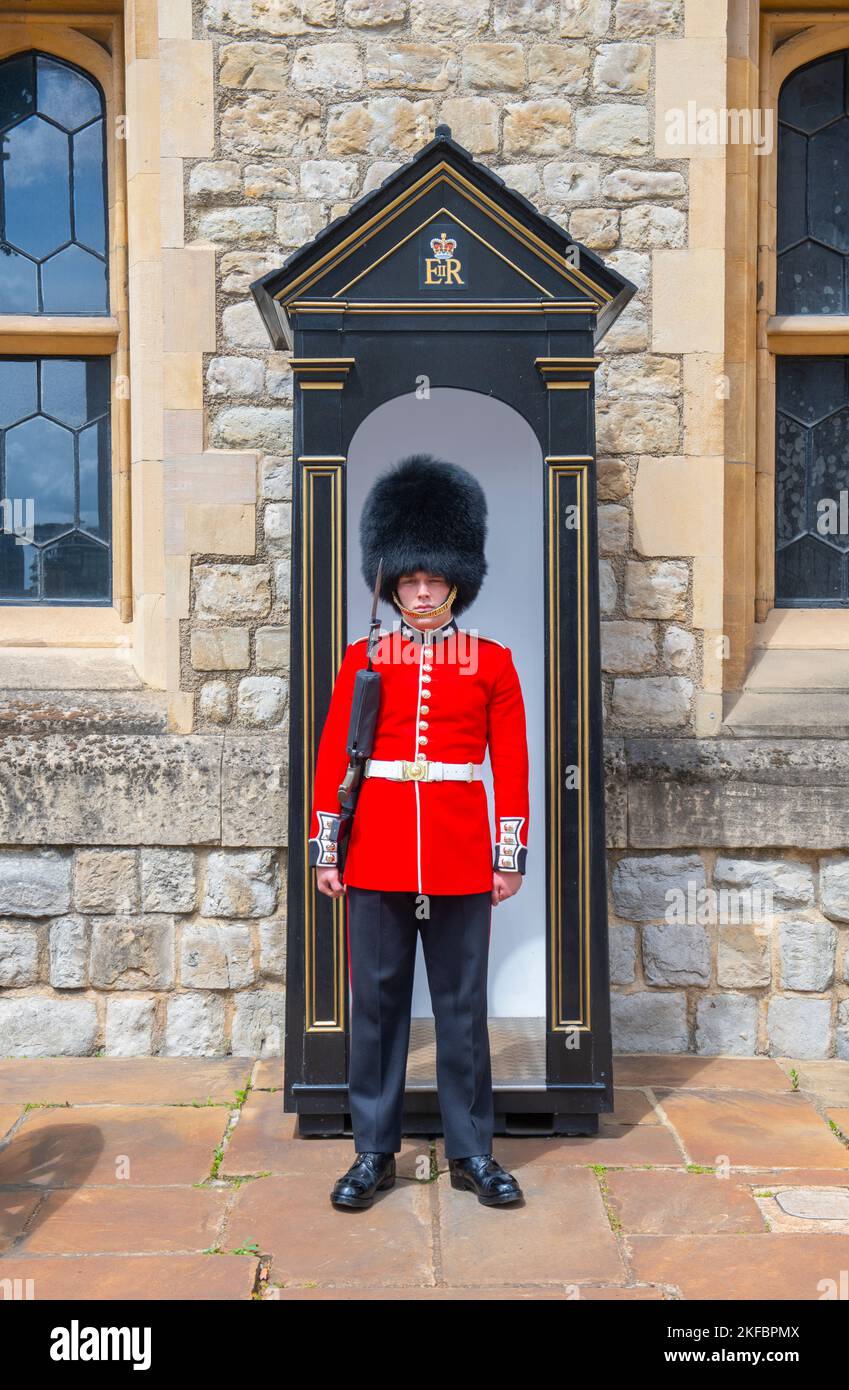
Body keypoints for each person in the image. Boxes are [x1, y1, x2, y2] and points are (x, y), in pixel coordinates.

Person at [307, 453, 530, 1209]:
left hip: (462, 850)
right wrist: (327, 847)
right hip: (375, 848)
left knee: (462, 1007)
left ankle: (472, 1153)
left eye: (434, 579)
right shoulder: (361, 658)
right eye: (410, 580)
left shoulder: (492, 662)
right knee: (374, 1002)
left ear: (456, 581)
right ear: (392, 581)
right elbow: (335, 754)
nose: (424, 592)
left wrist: (508, 854)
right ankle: (373, 1151)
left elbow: (513, 765)